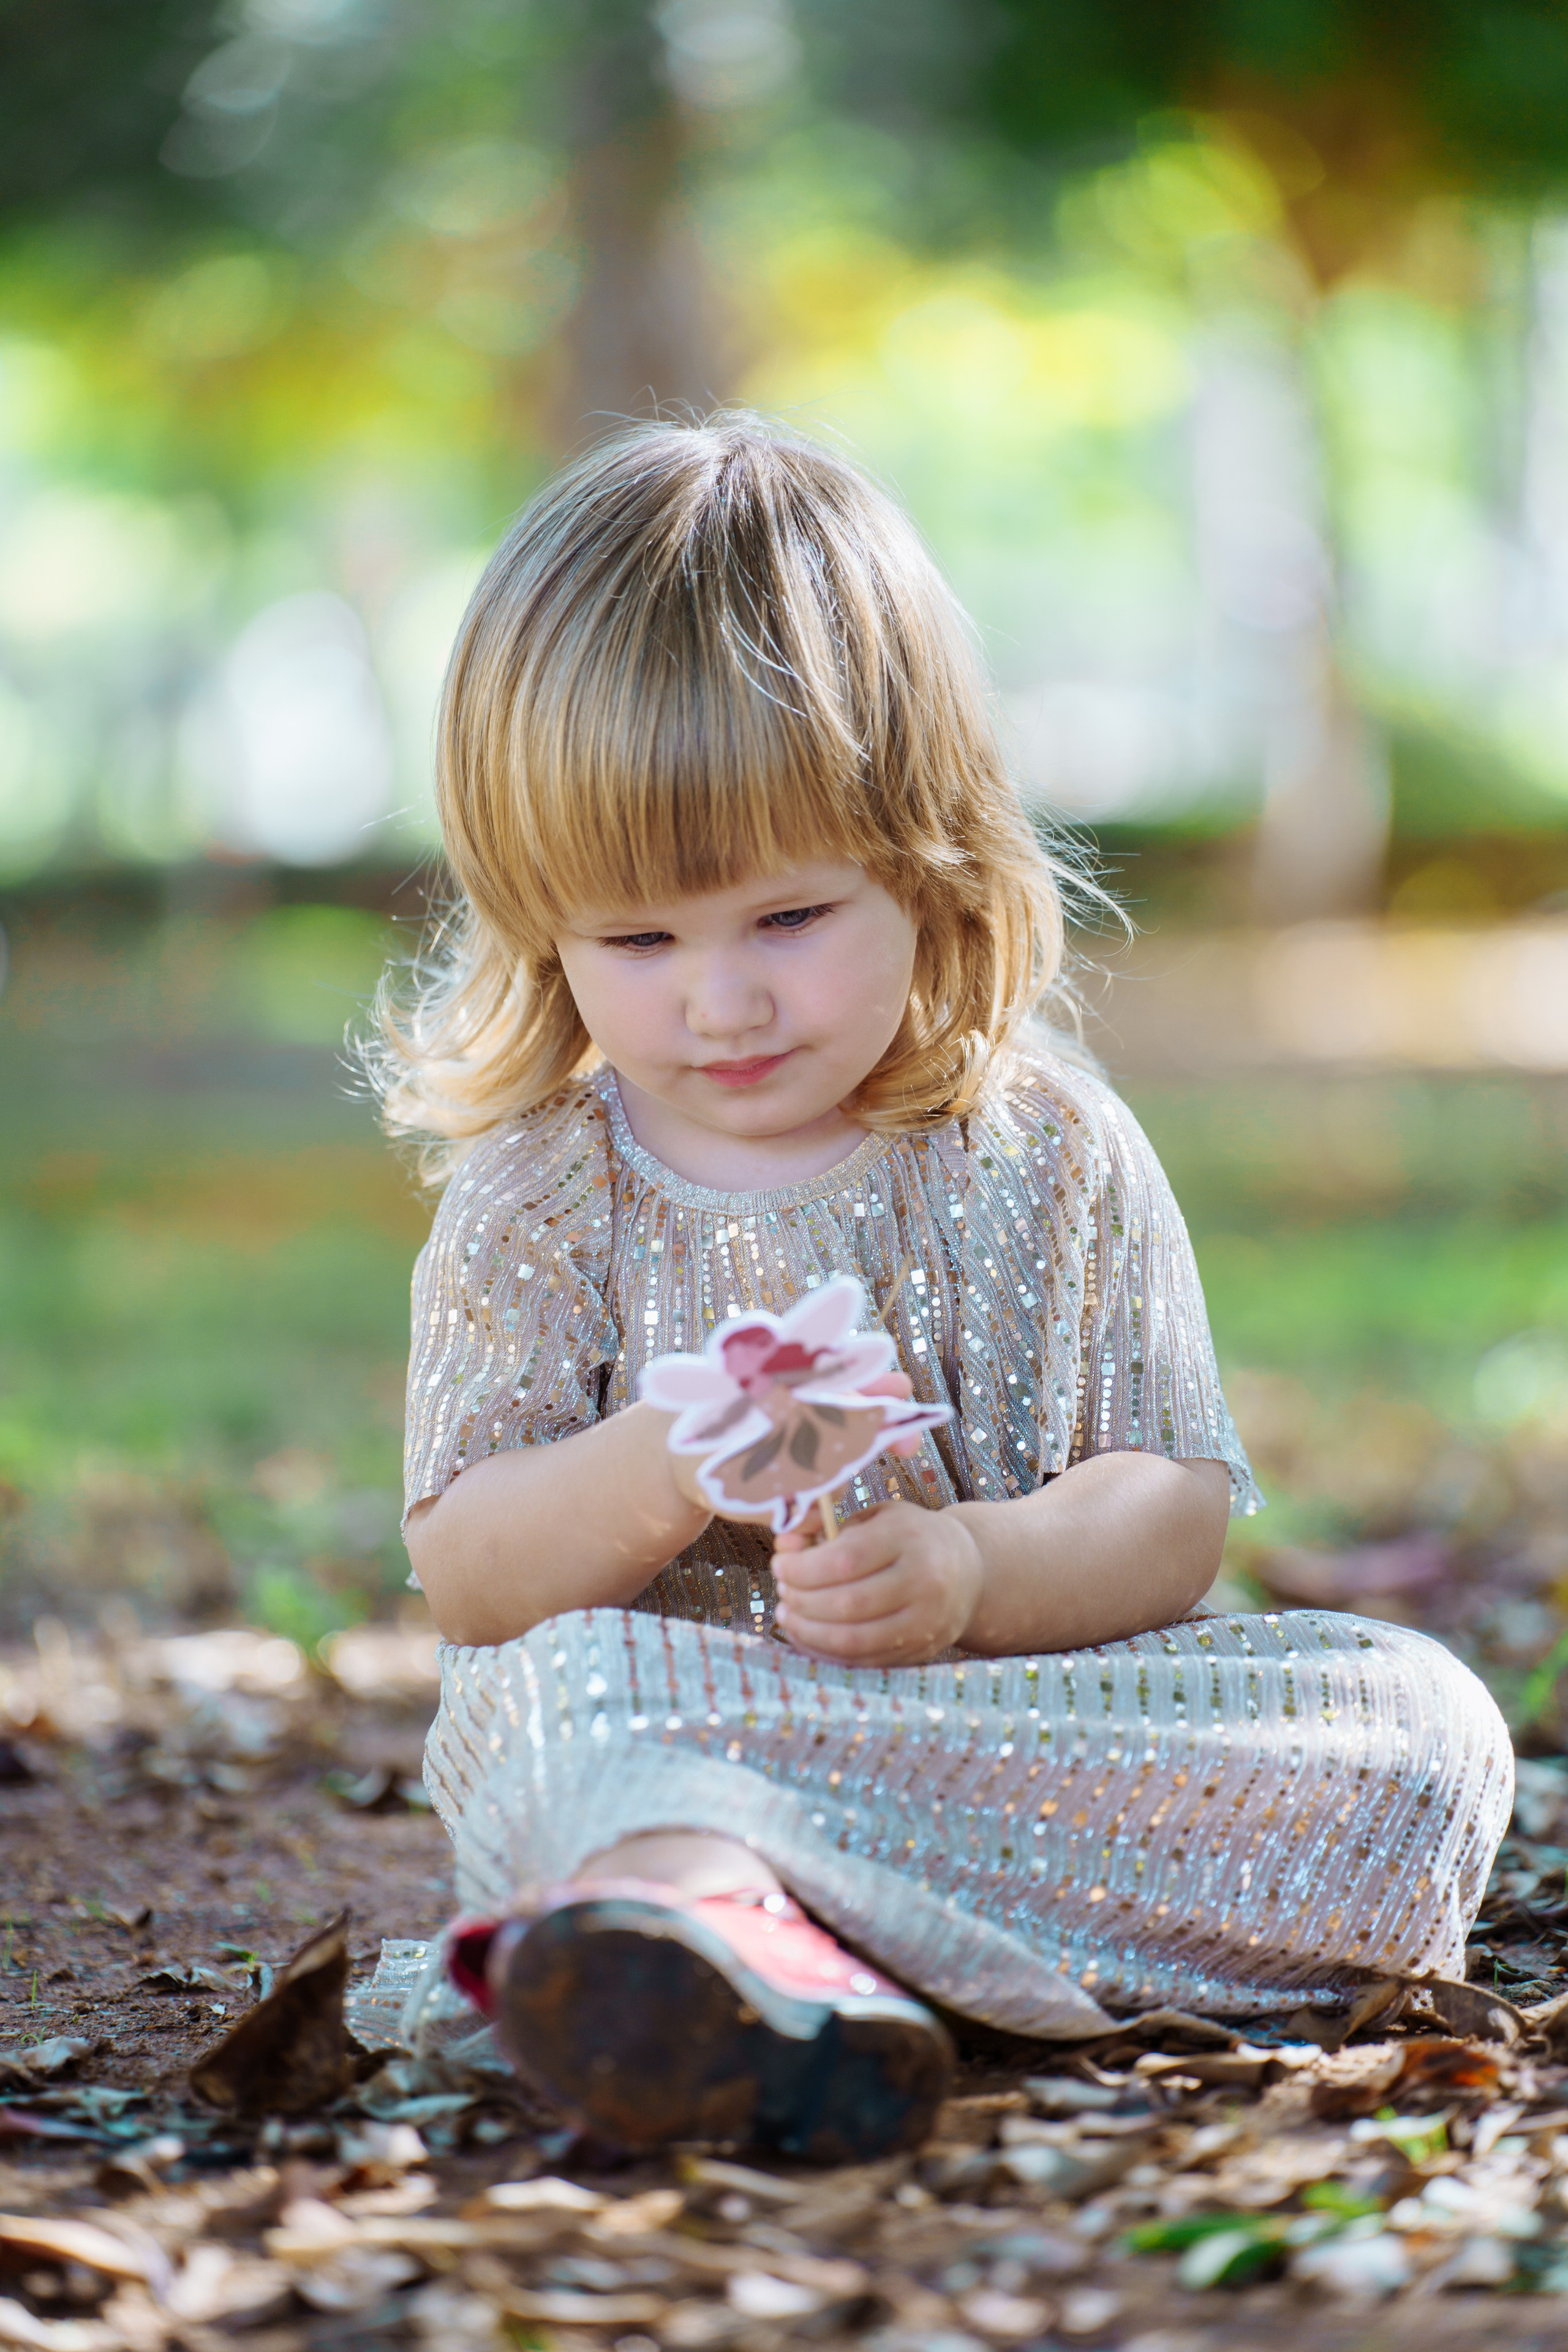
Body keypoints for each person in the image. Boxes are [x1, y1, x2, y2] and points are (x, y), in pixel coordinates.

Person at [374, 415, 1512, 2162]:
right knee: (557, 1705)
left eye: (787, 918)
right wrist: (672, 1460)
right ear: (540, 927)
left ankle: (803, 1952)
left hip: (1019, 1735)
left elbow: (1166, 1506)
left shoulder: (1044, 1149)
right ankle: (718, 1920)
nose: (723, 1006)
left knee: (1414, 1720)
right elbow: (469, 1573)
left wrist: (971, 1570)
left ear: (923, 856)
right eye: (638, 942)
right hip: (689, 1736)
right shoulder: (548, 1184)